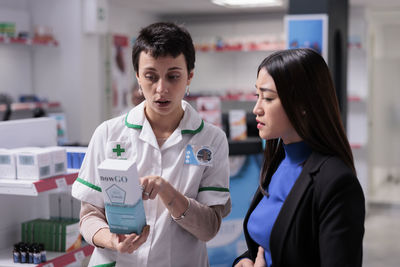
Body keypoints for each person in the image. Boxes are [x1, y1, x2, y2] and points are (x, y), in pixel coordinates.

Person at [72, 22, 231, 267]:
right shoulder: (108, 134)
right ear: (137, 76)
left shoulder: (210, 140)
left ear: (190, 76)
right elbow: (89, 216)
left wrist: (168, 193)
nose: (161, 88)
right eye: (150, 76)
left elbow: (209, 228)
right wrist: (113, 241)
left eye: (173, 76)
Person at [233, 48, 365, 267]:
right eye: (257, 96)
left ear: (302, 105)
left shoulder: (336, 182)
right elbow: (264, 245)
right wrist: (244, 261)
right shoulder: (277, 162)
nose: (256, 109)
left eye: (268, 98)